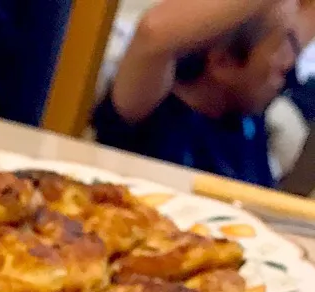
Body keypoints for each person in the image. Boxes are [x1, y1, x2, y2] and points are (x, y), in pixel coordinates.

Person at [94, 0, 315, 186]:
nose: (289, 61)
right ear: (223, 62)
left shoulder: (244, 111)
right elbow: (153, 33)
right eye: (280, 45)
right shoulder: (148, 115)